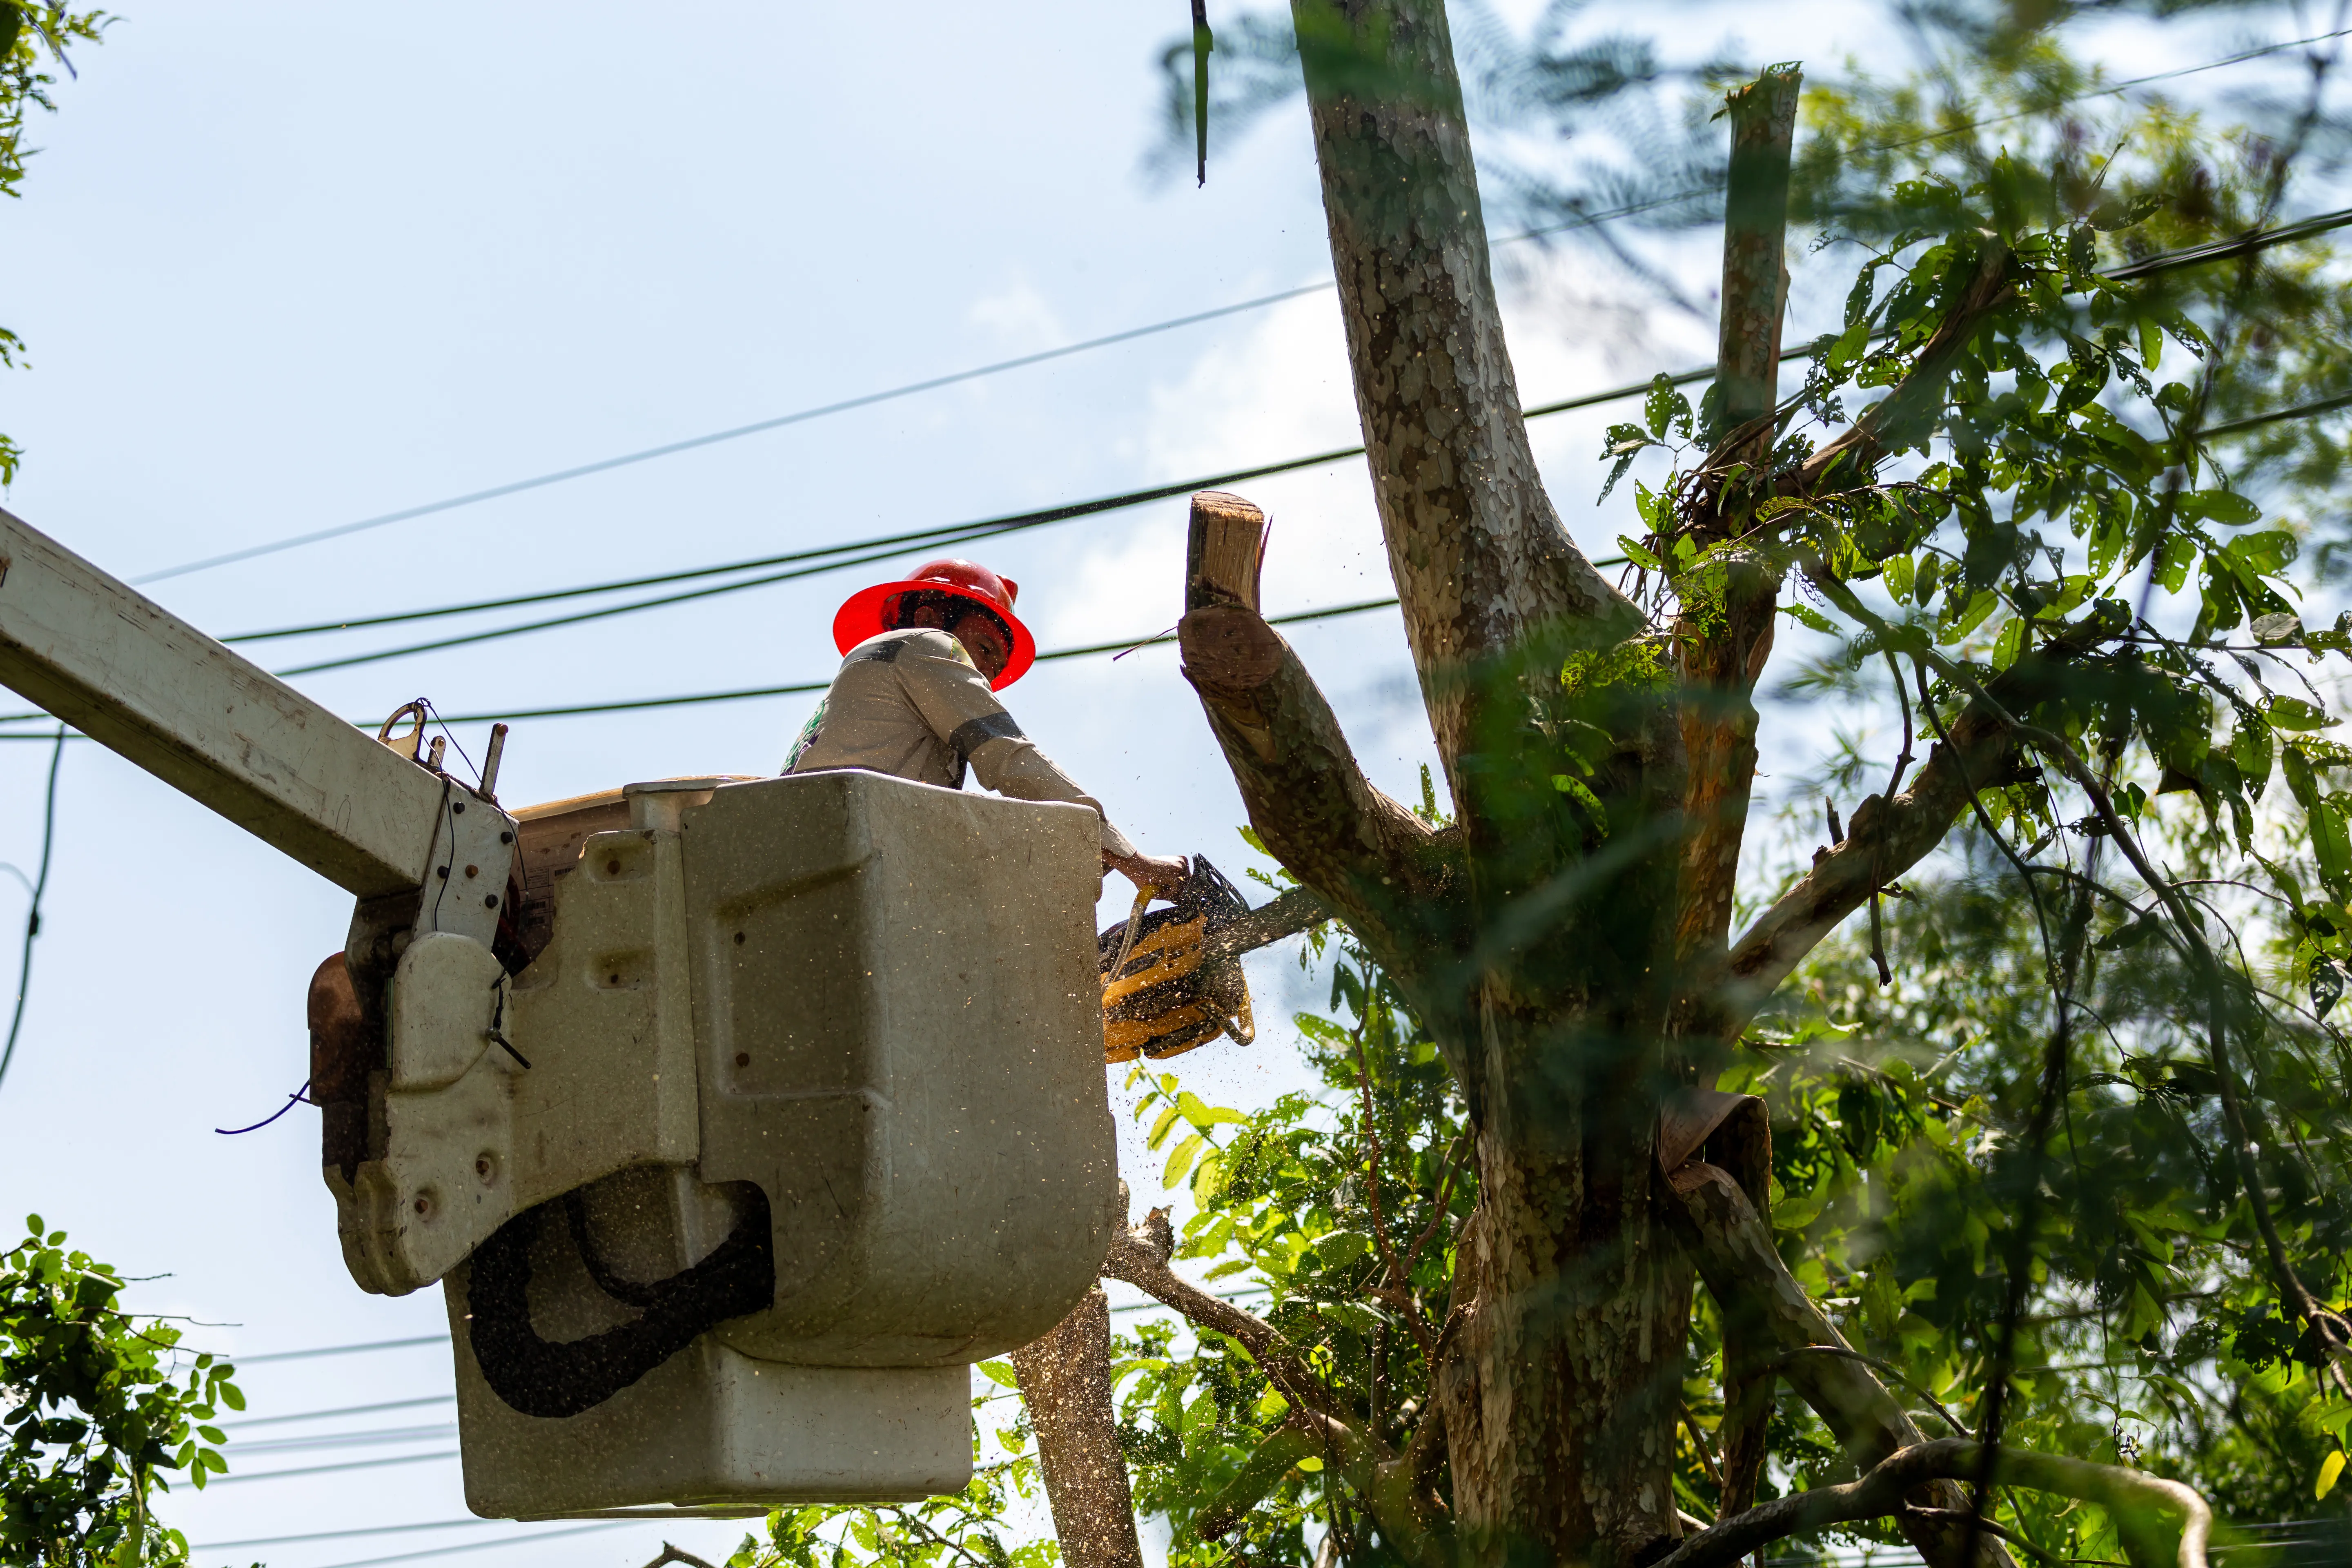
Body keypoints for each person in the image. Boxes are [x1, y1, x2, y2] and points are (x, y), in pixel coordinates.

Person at [786, 559, 1187, 892]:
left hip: (819, 862)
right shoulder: (927, 645)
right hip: (849, 860)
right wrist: (1134, 861)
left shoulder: (870, 687)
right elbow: (1008, 758)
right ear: (928, 617)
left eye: (993, 671)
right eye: (982, 649)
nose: (983, 678)